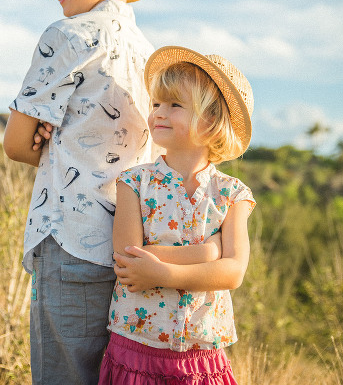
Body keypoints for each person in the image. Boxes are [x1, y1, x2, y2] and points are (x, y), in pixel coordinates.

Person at [3, 0, 165, 385]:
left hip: (70, 237)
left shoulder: (67, 35)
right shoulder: (149, 54)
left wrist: (48, 141)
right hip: (130, 248)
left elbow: (15, 144)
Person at [99, 46, 256, 385]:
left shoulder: (232, 194)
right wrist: (207, 253)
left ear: (211, 120)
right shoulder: (134, 182)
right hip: (137, 347)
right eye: (156, 103)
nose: (158, 112)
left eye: (175, 105)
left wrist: (163, 272)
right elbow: (129, 259)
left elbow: (233, 273)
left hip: (202, 356)